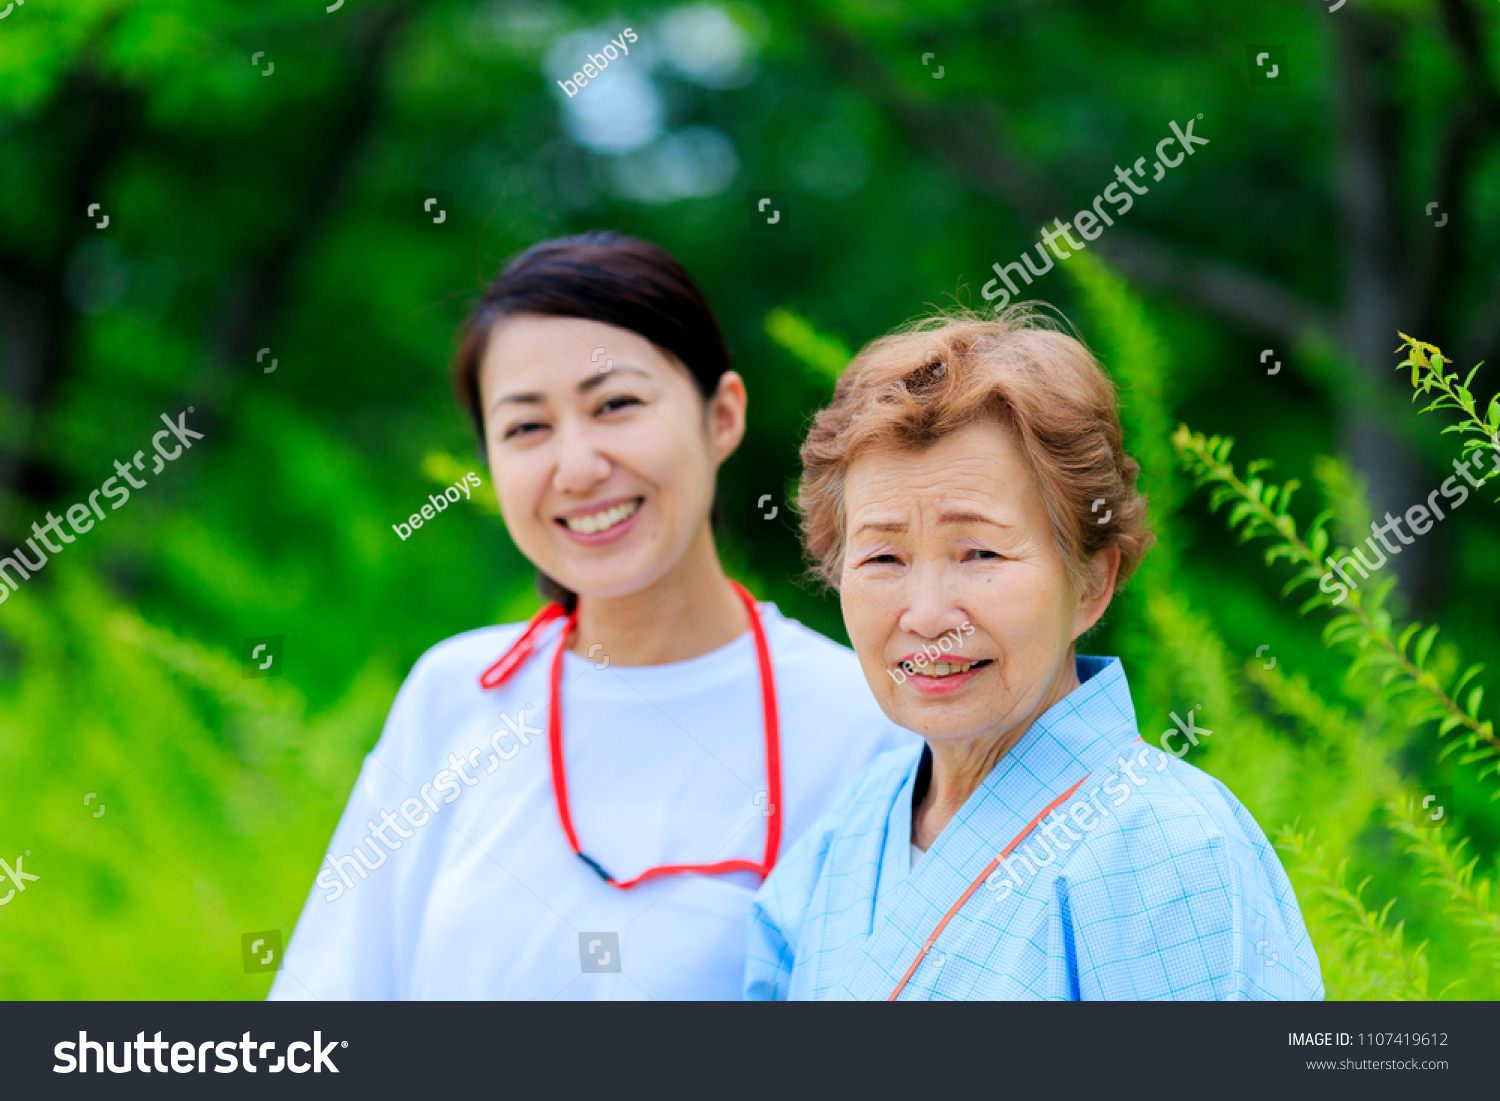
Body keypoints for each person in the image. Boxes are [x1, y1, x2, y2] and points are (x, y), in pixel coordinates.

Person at [270, 232, 911, 1000]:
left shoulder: (868, 725)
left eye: (616, 404)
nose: (577, 467)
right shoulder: (456, 697)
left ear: (722, 416)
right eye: (526, 428)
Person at [744, 311, 1323, 1000]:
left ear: (1091, 582)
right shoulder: (846, 835)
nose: (928, 615)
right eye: (883, 556)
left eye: (980, 552)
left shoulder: (1171, 846)